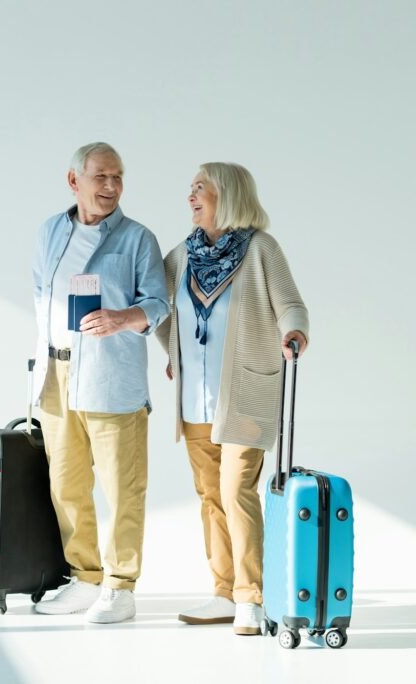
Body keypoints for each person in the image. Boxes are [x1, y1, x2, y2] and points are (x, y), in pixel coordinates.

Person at [155, 162, 309, 635]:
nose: (191, 196)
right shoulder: (180, 256)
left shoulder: (261, 249)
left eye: (201, 187)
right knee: (210, 497)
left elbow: (290, 303)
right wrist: (172, 354)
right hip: (194, 402)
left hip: (244, 393)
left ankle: (251, 598)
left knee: (235, 491)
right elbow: (163, 312)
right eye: (191, 188)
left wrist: (294, 333)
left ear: (228, 194)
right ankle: (223, 592)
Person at [31, 142, 168, 623]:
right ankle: (85, 577)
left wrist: (121, 318)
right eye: (101, 178)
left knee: (122, 487)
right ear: (75, 181)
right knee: (66, 484)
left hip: (111, 375)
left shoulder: (137, 239)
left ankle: (121, 586)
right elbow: (39, 296)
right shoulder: (51, 231)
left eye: (118, 178)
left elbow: (158, 304)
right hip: (56, 372)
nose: (111, 187)